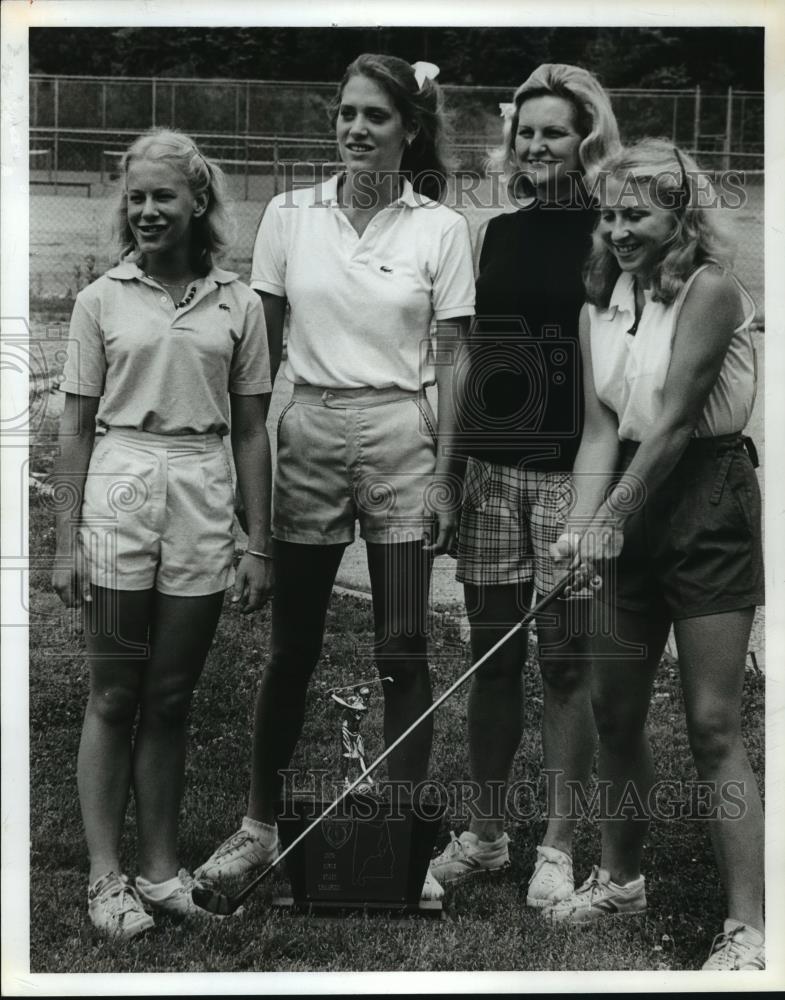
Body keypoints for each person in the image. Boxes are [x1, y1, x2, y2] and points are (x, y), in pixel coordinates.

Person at [196, 55, 475, 899]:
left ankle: (398, 840)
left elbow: (454, 357)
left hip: (400, 437)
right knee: (292, 649)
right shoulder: (289, 214)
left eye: (376, 117)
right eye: (346, 113)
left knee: (401, 645)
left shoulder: (440, 229)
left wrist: (444, 476)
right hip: (309, 430)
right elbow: (257, 356)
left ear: (409, 128)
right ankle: (256, 828)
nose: (356, 129)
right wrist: (243, 481)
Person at [545, 139, 765, 972]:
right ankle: (621, 876)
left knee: (712, 721)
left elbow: (674, 422)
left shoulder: (711, 289)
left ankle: (747, 928)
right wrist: (579, 523)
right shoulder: (597, 299)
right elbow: (603, 425)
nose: (617, 228)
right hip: (627, 505)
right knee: (614, 711)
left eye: (634, 212)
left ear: (680, 213)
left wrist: (614, 519)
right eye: (608, 213)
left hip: (704, 500)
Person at [51, 128, 275, 938]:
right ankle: (104, 878)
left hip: (203, 486)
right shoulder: (99, 298)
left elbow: (251, 429)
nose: (147, 211)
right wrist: (63, 540)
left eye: (163, 197)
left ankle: (158, 871)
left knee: (172, 697)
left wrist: (258, 541)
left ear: (198, 203)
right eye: (136, 197)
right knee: (113, 693)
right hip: (121, 480)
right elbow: (74, 428)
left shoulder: (238, 302)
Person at [429, 64, 620, 908]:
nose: (535, 145)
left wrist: (596, 505)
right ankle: (485, 835)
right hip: (491, 477)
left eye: (553, 131)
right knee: (493, 658)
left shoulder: (610, 234)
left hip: (566, 480)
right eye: (526, 132)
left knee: (568, 666)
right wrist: (454, 469)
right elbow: (468, 358)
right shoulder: (496, 232)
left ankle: (555, 847)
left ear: (587, 140)